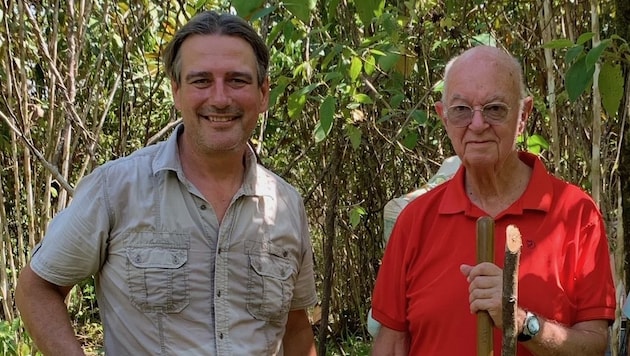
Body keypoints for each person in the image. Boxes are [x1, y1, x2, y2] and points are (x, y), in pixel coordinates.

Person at [15, 10, 318, 356]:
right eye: (201, 81)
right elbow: (36, 287)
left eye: (237, 80)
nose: (220, 98)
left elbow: (295, 327)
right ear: (176, 91)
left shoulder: (285, 204)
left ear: (263, 93)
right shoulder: (116, 188)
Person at [370, 45, 616, 355]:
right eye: (461, 110)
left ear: (523, 115)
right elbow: (391, 343)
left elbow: (595, 345)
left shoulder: (575, 213)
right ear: (443, 117)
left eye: (495, 108)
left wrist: (522, 321)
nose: (477, 124)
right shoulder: (415, 219)